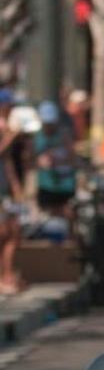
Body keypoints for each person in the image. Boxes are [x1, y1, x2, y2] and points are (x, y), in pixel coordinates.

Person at [32, 101, 78, 221]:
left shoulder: (64, 135)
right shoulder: (37, 137)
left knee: (68, 214)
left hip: (65, 185)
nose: (49, 126)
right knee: (47, 216)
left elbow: (72, 158)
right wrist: (39, 162)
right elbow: (30, 161)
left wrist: (57, 160)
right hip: (46, 185)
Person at [0, 90, 23, 294]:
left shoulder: (5, 126)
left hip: (5, 189)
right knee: (5, 233)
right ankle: (5, 276)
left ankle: (7, 274)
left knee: (14, 232)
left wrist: (15, 184)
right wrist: (10, 138)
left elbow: (6, 161)